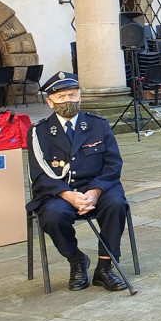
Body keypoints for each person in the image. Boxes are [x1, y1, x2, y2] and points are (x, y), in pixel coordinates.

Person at [25, 72, 129, 292]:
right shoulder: (38, 132)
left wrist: (96, 191)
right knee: (52, 216)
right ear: (49, 101)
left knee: (116, 204)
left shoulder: (98, 125)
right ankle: (76, 260)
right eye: (61, 97)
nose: (68, 100)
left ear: (80, 95)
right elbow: (39, 174)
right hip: (59, 192)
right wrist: (68, 195)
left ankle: (105, 267)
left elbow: (113, 164)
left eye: (72, 95)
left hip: (98, 187)